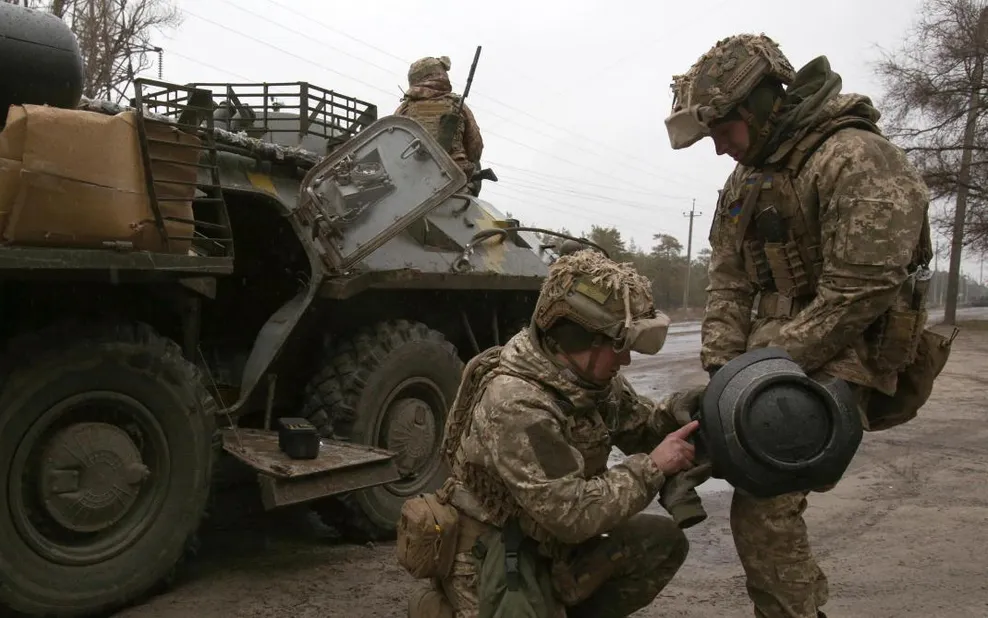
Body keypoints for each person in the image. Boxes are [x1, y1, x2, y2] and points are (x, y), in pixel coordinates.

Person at [664, 33, 934, 618]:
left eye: (723, 132)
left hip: (844, 355)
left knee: (763, 504)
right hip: (771, 358)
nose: (718, 150)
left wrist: (757, 369)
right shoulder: (747, 177)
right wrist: (721, 373)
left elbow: (860, 293)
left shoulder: (856, 158)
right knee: (669, 432)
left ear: (758, 108)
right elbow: (730, 280)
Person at [404, 248, 711, 618]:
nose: (625, 360)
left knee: (661, 545)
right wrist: (653, 468)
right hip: (496, 548)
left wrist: (681, 412)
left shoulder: (589, 380)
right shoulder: (517, 403)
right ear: (580, 339)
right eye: (619, 347)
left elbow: (639, 426)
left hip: (548, 538)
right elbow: (572, 514)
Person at [394, 55, 484, 194]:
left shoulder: (403, 110)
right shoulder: (457, 105)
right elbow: (475, 149)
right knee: (476, 165)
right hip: (455, 180)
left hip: (414, 182)